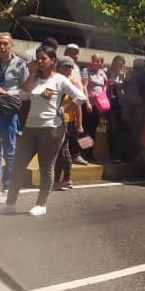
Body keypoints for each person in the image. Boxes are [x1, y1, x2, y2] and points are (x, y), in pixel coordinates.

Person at [0, 45, 86, 216]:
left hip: (51, 130)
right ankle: (10, 203)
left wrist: (64, 107)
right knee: (17, 165)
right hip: (30, 129)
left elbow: (81, 97)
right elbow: (23, 96)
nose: (39, 61)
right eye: (38, 58)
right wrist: (31, 74)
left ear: (52, 61)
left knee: (46, 167)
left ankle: (41, 204)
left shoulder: (59, 80)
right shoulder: (35, 79)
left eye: (43, 58)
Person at [0, 33, 29, 196]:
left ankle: (9, 185)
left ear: (11, 45)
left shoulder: (19, 64)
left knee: (10, 150)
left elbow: (26, 90)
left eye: (5, 44)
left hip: (8, 113)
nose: (1, 47)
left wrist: (6, 91)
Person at [53, 56, 84, 190]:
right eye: (66, 66)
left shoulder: (71, 82)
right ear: (59, 67)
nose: (69, 69)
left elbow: (78, 105)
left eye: (71, 66)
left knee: (63, 152)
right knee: (61, 152)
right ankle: (63, 179)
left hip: (65, 121)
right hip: (54, 120)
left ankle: (63, 179)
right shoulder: (55, 80)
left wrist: (79, 124)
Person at [120, 58, 145, 162]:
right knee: (137, 133)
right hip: (139, 109)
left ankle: (124, 156)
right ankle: (134, 157)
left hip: (127, 108)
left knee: (126, 131)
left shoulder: (129, 76)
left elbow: (123, 88)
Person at [81, 53, 109, 162]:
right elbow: (84, 86)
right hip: (89, 105)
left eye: (98, 61)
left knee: (93, 130)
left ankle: (90, 154)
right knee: (86, 129)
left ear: (102, 63)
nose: (96, 63)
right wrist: (87, 102)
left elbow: (106, 83)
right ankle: (84, 154)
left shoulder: (102, 73)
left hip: (98, 106)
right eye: (94, 60)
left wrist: (103, 93)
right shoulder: (86, 71)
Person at [107, 55, 127, 164]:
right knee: (113, 129)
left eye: (121, 64)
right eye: (117, 63)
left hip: (122, 105)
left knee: (121, 131)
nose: (119, 66)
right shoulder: (107, 73)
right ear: (113, 63)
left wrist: (123, 78)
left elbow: (127, 90)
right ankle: (112, 155)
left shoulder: (125, 75)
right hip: (110, 104)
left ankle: (119, 155)